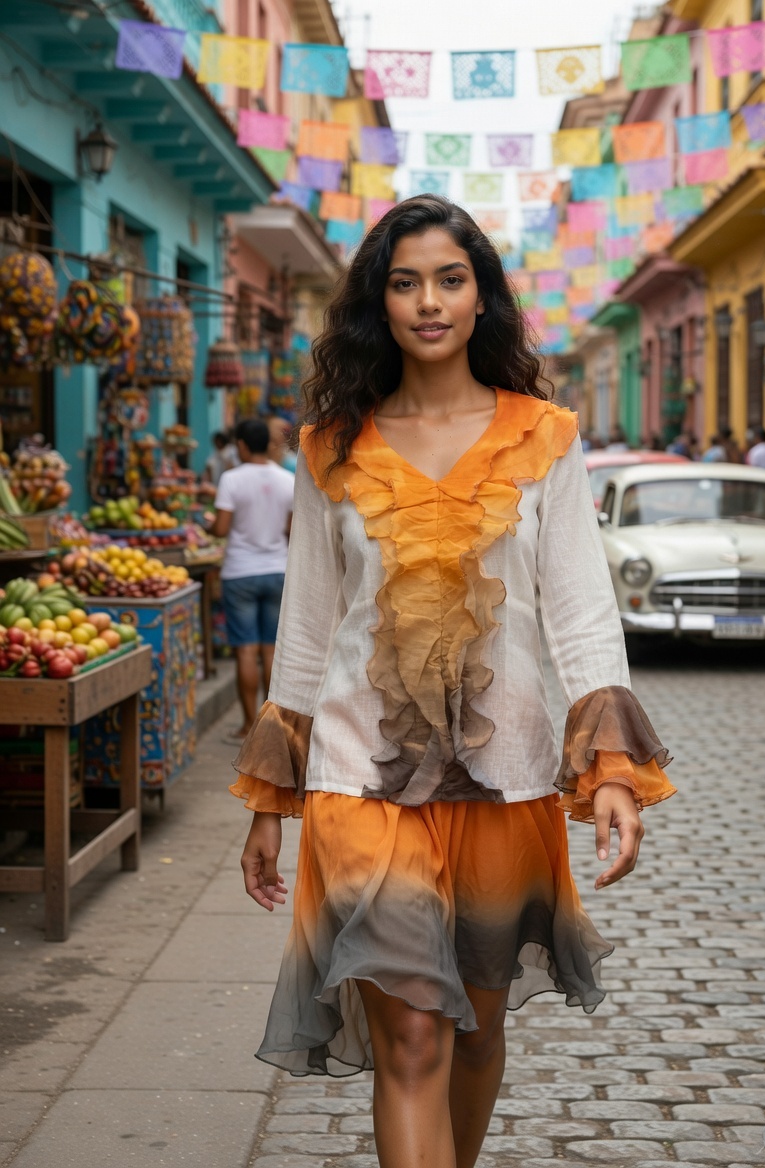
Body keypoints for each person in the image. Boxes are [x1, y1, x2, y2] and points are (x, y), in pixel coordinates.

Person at [228, 196, 676, 1168]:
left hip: (503, 780)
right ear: (376, 303)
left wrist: (607, 770)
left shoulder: (544, 438)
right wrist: (271, 799)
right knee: (414, 1038)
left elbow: (581, 609)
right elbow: (305, 627)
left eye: (449, 278)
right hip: (358, 777)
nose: (427, 301)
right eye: (403, 281)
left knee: (473, 1034)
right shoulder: (329, 447)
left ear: (481, 299)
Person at [206, 418, 295, 745]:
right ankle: (272, 726)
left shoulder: (231, 479)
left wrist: (207, 525)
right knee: (271, 650)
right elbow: (290, 529)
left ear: (242, 445)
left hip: (240, 572)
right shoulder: (288, 479)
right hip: (277, 570)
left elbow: (220, 528)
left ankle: (247, 726)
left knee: (246, 651)